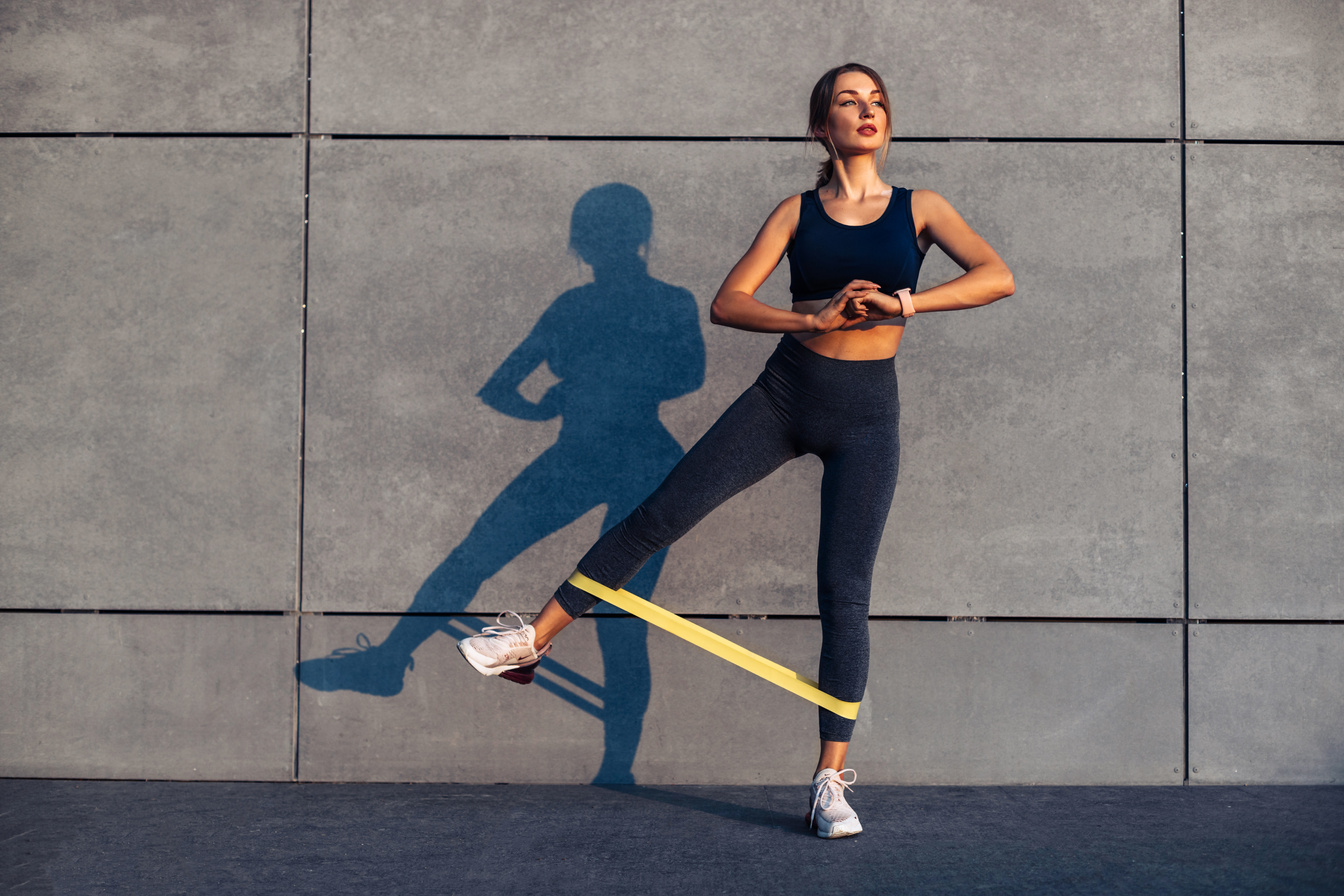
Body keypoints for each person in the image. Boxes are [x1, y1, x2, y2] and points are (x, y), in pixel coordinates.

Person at [458, 62, 1014, 838]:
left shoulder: (923, 209)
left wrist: (904, 302)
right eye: (848, 102)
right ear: (821, 125)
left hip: (865, 417)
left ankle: (829, 782)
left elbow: (997, 277)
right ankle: (531, 641)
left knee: (844, 590)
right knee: (660, 514)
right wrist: (812, 323)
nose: (866, 111)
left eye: (877, 101)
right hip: (785, 396)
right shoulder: (796, 212)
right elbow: (729, 303)